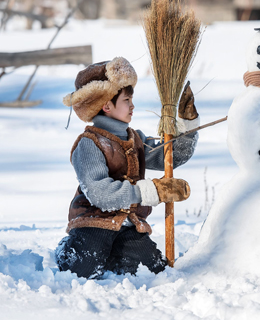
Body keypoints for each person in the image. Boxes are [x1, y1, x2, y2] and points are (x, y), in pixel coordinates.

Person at [56, 57, 200, 278]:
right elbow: (99, 194)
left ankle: (115, 254)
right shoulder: (89, 143)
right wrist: (151, 191)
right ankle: (68, 249)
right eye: (126, 100)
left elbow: (169, 157)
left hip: (128, 226)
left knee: (153, 270)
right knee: (83, 268)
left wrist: (188, 125)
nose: (132, 105)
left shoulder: (135, 140)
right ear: (106, 105)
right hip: (93, 222)